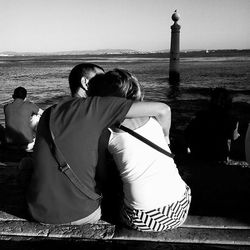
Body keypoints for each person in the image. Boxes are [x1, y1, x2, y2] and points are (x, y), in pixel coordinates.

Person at [26, 67, 172, 226]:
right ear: (85, 82)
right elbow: (162, 109)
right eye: (102, 78)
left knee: (26, 165)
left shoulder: (49, 112)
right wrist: (165, 138)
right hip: (83, 214)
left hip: (38, 212)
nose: (108, 82)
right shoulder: (96, 106)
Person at [87, 69, 191, 232]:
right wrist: (165, 137)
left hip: (144, 218)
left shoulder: (106, 132)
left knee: (112, 193)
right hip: (181, 208)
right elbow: (165, 109)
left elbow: (102, 176)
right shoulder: (154, 118)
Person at [185, 87, 240, 162]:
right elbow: (234, 137)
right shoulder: (231, 119)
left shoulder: (200, 116)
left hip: (199, 154)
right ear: (229, 103)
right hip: (219, 156)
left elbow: (187, 134)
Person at [4, 87, 43, 151]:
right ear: (25, 97)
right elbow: (44, 113)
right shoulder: (30, 105)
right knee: (37, 117)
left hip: (10, 145)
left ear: (13, 96)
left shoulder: (6, 107)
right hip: (26, 145)